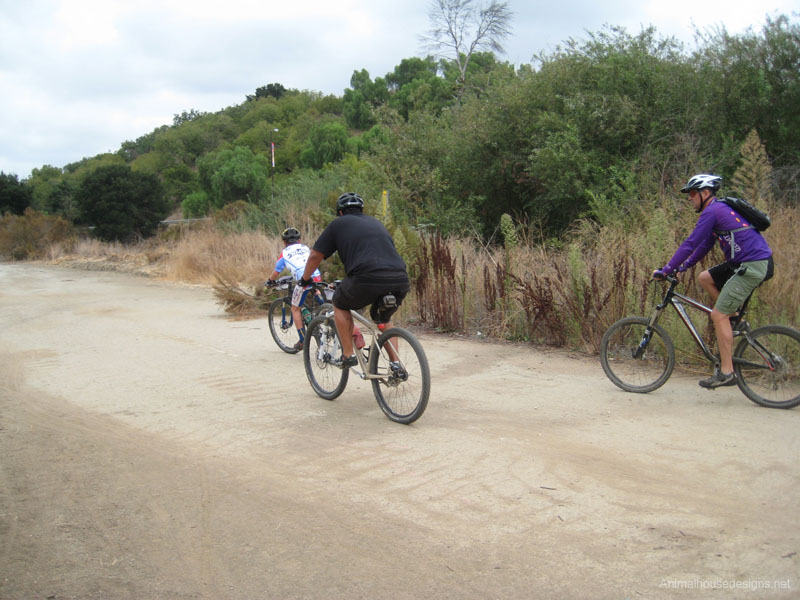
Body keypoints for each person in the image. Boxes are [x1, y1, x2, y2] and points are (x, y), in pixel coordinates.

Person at [653, 173, 774, 389]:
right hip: (746, 262)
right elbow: (703, 246)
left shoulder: (712, 211)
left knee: (718, 315)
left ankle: (727, 372)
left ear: (705, 193)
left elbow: (690, 243)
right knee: (705, 278)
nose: (689, 198)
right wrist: (682, 267)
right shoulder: (718, 212)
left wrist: (666, 269)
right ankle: (733, 316)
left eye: (692, 193)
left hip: (752, 265)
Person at [297, 192, 410, 369]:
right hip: (399, 278)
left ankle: (347, 355)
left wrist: (304, 280)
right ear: (361, 210)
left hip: (367, 277)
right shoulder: (376, 223)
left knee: (340, 303)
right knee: (383, 318)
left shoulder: (338, 224)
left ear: (340, 212)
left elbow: (315, 256)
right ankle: (396, 365)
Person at [266, 227, 323, 351]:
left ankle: (302, 340)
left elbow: (276, 272)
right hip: (316, 275)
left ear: (284, 242)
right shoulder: (305, 248)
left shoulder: (285, 253)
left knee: (295, 308)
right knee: (315, 288)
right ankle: (324, 307)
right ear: (299, 240)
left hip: (303, 277)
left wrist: (270, 281)